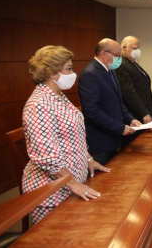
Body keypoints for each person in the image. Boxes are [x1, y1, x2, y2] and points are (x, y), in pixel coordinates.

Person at [22, 45, 110, 224]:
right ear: (51, 73)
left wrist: (88, 159)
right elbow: (46, 156)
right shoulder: (39, 104)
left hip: (71, 180)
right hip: (51, 191)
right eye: (68, 68)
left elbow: (74, 135)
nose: (73, 73)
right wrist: (73, 184)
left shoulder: (58, 96)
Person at [78, 39, 141, 165]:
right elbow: (92, 111)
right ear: (103, 53)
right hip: (101, 142)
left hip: (114, 138)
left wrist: (130, 119)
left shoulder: (110, 70)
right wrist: (119, 127)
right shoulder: (90, 74)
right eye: (117, 55)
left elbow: (117, 101)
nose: (119, 58)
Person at [116, 36, 152, 123]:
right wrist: (144, 113)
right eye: (135, 48)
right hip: (136, 114)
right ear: (124, 48)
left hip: (145, 107)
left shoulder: (132, 62)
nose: (138, 51)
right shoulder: (122, 65)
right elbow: (129, 92)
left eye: (138, 48)